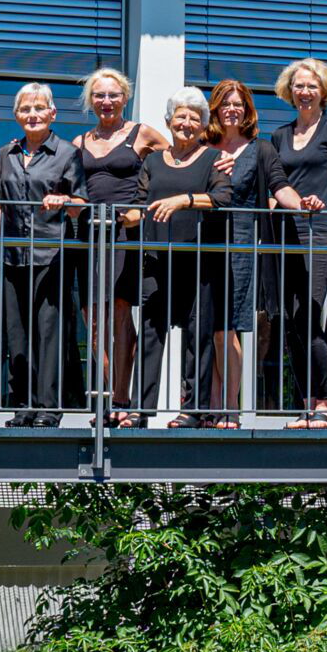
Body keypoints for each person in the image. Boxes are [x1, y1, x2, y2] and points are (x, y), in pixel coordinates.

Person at [0, 83, 82, 427]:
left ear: (53, 113)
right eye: (26, 109)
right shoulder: (5, 154)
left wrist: (65, 201)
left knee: (48, 332)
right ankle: (23, 406)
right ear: (16, 115)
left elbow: (81, 205)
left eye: (40, 108)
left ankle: (48, 408)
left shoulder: (67, 153)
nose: (33, 114)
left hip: (51, 255)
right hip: (12, 256)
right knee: (17, 333)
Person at [70, 67, 164, 427]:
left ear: (125, 98)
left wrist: (143, 211)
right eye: (99, 95)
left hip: (127, 235)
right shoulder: (79, 142)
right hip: (89, 236)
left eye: (113, 95)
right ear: (90, 101)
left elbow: (175, 166)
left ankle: (122, 402)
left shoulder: (143, 134)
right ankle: (111, 395)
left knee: (121, 317)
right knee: (93, 322)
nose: (106, 101)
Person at [263, 59, 327, 425]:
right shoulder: (279, 136)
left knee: (308, 315)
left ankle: (325, 405)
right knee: (288, 321)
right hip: (286, 234)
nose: (304, 92)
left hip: (320, 232)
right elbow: (275, 184)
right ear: (289, 91)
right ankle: (306, 402)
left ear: (325, 91)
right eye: (299, 86)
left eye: (311, 86)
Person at [129, 89, 222, 425]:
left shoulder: (213, 159)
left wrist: (183, 200)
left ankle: (194, 410)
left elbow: (223, 198)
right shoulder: (153, 162)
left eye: (194, 118)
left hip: (199, 260)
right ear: (168, 122)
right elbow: (139, 205)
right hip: (157, 258)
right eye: (180, 116)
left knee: (198, 334)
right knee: (151, 332)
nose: (186, 123)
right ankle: (140, 408)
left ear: (203, 127)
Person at [201, 79, 269, 422]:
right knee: (211, 328)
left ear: (247, 110)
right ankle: (213, 406)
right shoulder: (203, 145)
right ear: (215, 108)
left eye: (238, 104)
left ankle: (230, 406)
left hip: (240, 242)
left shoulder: (259, 149)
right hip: (204, 242)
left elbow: (274, 191)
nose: (232, 109)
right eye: (225, 103)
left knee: (228, 326)